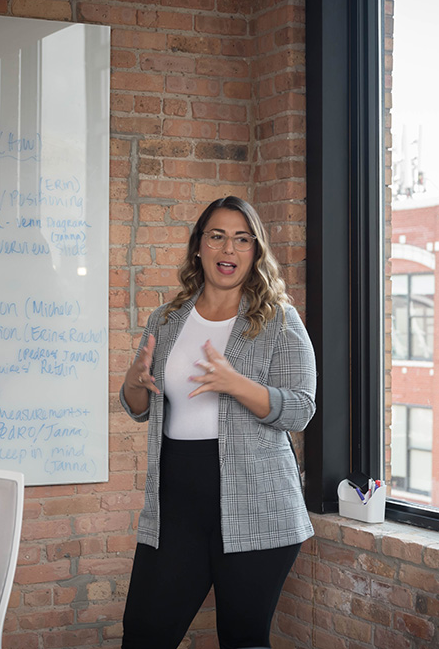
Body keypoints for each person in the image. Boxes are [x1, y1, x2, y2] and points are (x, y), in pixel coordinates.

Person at [119, 196, 316, 649]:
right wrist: (133, 382)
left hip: (258, 505)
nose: (229, 249)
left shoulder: (279, 320)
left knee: (243, 640)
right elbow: (139, 405)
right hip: (175, 507)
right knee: (144, 634)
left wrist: (234, 383)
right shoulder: (166, 320)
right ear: (199, 247)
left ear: (255, 251)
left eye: (242, 239)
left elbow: (301, 409)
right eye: (218, 236)